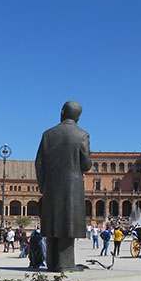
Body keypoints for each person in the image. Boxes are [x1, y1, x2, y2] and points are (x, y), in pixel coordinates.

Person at [34, 100, 92, 272]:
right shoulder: (82, 135)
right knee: (68, 224)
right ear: (79, 118)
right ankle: (66, 264)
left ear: (61, 113)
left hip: (51, 187)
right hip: (72, 187)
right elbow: (87, 164)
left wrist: (43, 187)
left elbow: (38, 163)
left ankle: (52, 263)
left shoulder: (47, 134)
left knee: (53, 223)